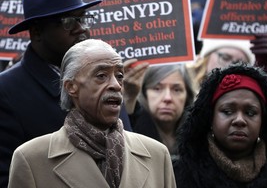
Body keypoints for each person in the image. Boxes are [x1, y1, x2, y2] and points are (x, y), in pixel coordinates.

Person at [0, 0, 131, 187]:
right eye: (69, 22)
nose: (81, 29)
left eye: (83, 18)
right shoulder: (7, 91)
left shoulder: (110, 76)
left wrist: (134, 104)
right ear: (37, 32)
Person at [8, 39, 176, 188]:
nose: (116, 85)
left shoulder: (157, 155)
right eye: (101, 76)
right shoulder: (32, 159)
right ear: (71, 87)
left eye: (119, 75)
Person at [173, 62, 267, 187]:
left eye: (250, 113)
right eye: (227, 112)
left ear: (263, 121)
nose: (239, 120)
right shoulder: (177, 175)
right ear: (210, 118)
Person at [123, 61, 194, 160]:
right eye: (157, 88)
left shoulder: (198, 136)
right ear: (145, 94)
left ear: (187, 96)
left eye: (176, 90)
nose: (167, 98)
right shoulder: (134, 129)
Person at [188, 34, 267, 92]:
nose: (231, 66)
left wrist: (265, 73)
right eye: (225, 58)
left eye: (240, 63)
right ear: (206, 58)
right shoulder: (182, 89)